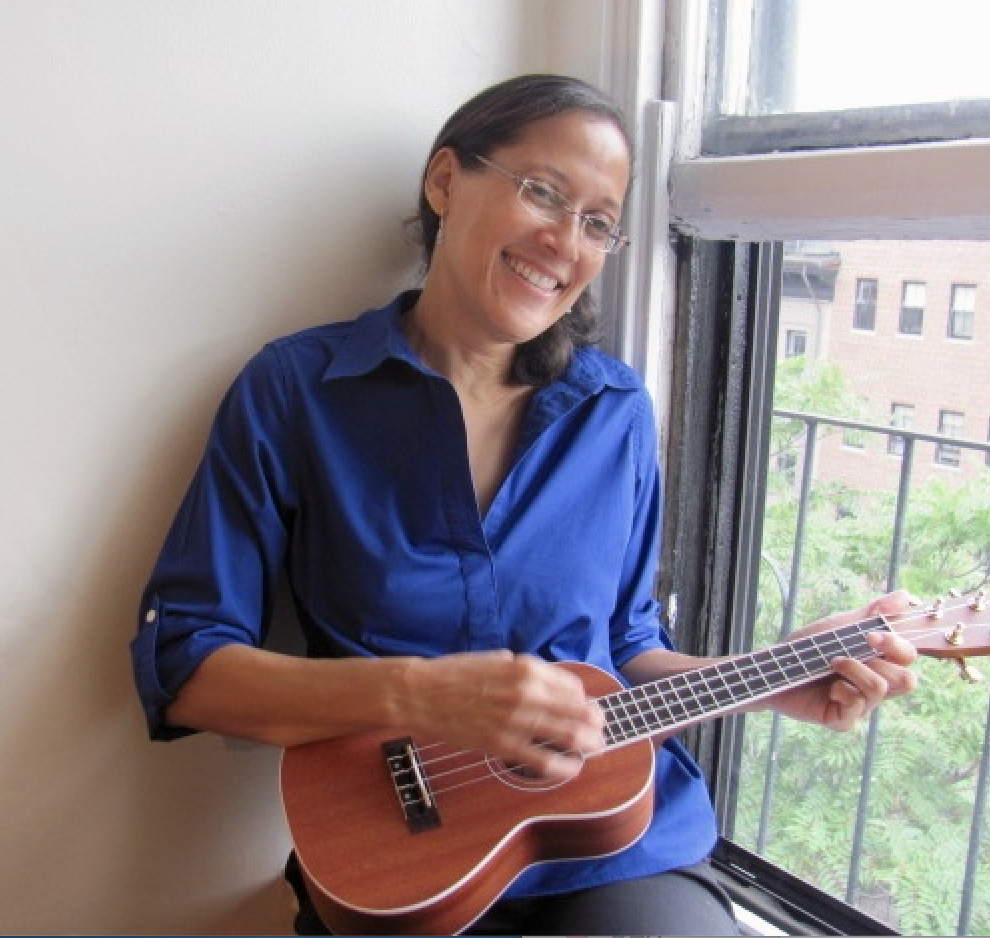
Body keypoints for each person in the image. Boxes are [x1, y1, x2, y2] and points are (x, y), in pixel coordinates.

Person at [130, 73, 918, 936]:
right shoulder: (296, 389)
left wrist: (774, 682)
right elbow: (187, 668)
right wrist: (420, 696)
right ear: (444, 184)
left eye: (598, 222)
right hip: (397, 863)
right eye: (543, 192)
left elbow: (623, 648)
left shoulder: (614, 411)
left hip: (617, 851)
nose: (565, 242)